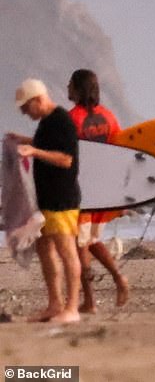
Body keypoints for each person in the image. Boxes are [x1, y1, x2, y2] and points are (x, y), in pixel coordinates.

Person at [10, 78, 82, 322]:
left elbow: (66, 159)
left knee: (66, 250)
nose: (23, 112)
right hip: (47, 199)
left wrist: (34, 151)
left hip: (63, 200)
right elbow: (47, 145)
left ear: (38, 100)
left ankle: (72, 308)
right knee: (44, 249)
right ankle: (54, 304)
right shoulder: (46, 123)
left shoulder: (61, 120)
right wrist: (25, 140)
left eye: (25, 107)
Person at [67, 69, 128, 313]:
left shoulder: (72, 118)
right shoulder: (109, 117)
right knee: (90, 241)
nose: (67, 87)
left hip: (81, 189)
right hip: (103, 190)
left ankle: (90, 301)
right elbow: (120, 152)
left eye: (71, 84)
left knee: (79, 244)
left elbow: (67, 156)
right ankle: (118, 278)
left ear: (79, 89)